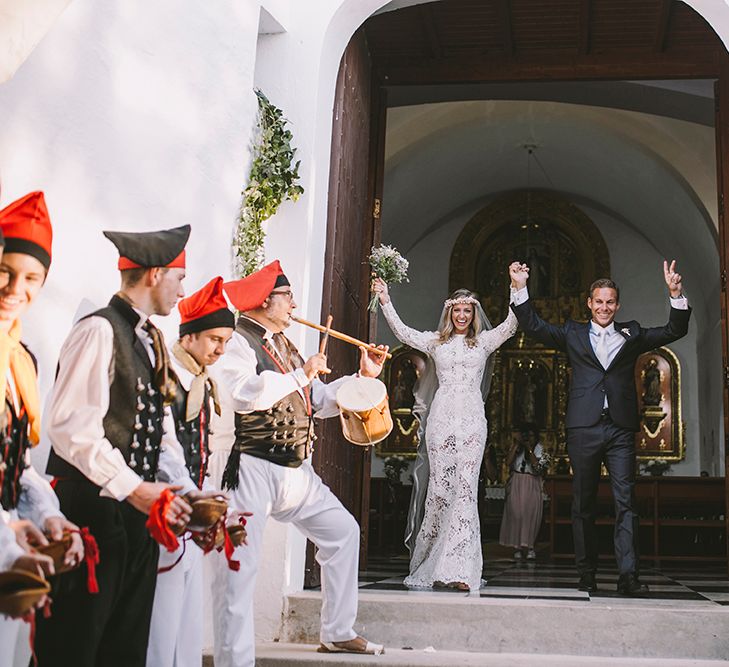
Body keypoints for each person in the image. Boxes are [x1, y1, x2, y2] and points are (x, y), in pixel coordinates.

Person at [35, 225, 201, 667]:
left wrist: (185, 493)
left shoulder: (151, 340)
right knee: (74, 646)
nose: (183, 290)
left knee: (124, 652)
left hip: (133, 520)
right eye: (180, 278)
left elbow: (159, 431)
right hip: (89, 512)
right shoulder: (98, 331)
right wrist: (133, 487)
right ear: (154, 274)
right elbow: (70, 428)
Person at [208, 260, 387, 667]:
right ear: (264, 300)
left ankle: (338, 632)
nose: (293, 304)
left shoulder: (285, 345)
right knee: (238, 568)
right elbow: (243, 393)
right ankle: (233, 661)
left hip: (294, 471)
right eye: (286, 296)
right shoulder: (238, 341)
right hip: (249, 466)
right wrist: (301, 375)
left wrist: (362, 376)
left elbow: (319, 402)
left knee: (343, 533)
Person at [509, 260, 691, 596]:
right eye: (598, 301)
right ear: (589, 304)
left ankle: (628, 576)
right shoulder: (572, 333)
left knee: (626, 502)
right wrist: (520, 287)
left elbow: (673, 331)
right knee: (583, 504)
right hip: (584, 428)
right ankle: (586, 573)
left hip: (620, 429)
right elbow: (534, 326)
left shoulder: (632, 333)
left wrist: (676, 294)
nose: (604, 307)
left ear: (617, 305)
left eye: (610, 302)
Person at [372, 278, 518, 592]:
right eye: (457, 310)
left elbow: (510, 325)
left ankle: (460, 569)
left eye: (467, 310)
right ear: (449, 313)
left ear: (474, 313)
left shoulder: (483, 342)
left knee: (465, 488)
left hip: (472, 421)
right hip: (441, 421)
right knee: (440, 489)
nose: (462, 316)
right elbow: (403, 332)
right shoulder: (435, 342)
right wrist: (385, 300)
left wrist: (518, 288)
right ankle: (433, 563)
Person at [0, 192, 84, 663]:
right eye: (5, 272)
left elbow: (16, 463)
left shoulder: (21, 360)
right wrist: (8, 536)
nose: (16, 289)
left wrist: (47, 514)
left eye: (32, 277)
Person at [147, 276, 235, 667]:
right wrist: (189, 495)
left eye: (225, 342)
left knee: (188, 627)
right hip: (164, 512)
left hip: (190, 512)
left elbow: (205, 449)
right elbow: (164, 451)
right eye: (214, 339)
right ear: (189, 336)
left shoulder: (203, 382)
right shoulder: (167, 378)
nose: (220, 349)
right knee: (160, 626)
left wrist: (211, 500)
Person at [499, 423, 549, 560]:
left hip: (531, 481)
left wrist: (529, 449)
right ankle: (517, 547)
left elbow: (538, 468)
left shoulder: (540, 449)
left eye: (531, 436)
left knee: (530, 514)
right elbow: (508, 462)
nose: (529, 439)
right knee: (516, 513)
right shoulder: (517, 448)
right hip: (517, 481)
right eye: (526, 436)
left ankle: (530, 546)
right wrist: (516, 445)